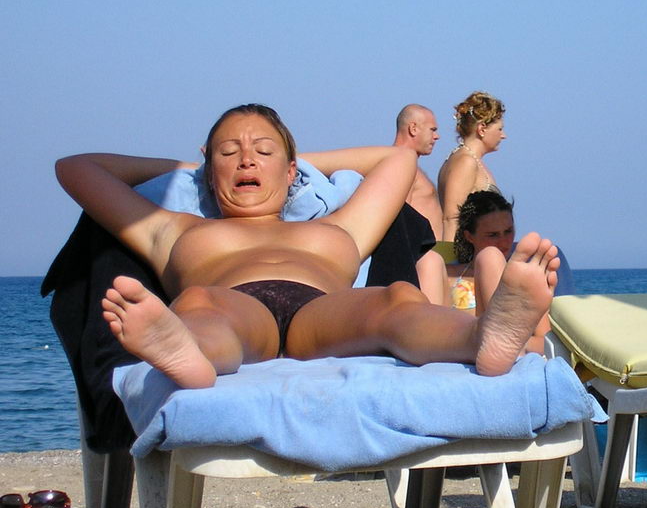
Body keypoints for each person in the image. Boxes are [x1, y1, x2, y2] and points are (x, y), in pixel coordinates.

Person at [55, 103, 559, 390]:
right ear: (210, 169)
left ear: (292, 169)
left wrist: (290, 159)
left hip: (321, 312)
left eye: (264, 152)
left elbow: (399, 160)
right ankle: (188, 353)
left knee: (396, 300)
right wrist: (198, 169)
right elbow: (76, 168)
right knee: (201, 306)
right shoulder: (171, 227)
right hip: (235, 301)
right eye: (229, 153)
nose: (247, 160)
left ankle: (481, 337)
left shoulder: (341, 226)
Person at [449, 190, 550, 355]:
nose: (504, 242)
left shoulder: (528, 279)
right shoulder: (448, 274)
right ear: (469, 236)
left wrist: (517, 344)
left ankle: (498, 341)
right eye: (493, 235)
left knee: (490, 259)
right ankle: (495, 341)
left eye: (508, 231)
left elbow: (546, 343)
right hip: (458, 349)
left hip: (507, 353)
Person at [437, 91, 506, 241]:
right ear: (482, 129)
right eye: (500, 129)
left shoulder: (468, 160)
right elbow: (451, 219)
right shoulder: (465, 162)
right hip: (468, 252)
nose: (503, 135)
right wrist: (450, 255)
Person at [392, 104, 443, 241]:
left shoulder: (407, 164)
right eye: (432, 130)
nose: (437, 136)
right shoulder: (401, 163)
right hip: (417, 251)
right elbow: (400, 217)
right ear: (413, 129)